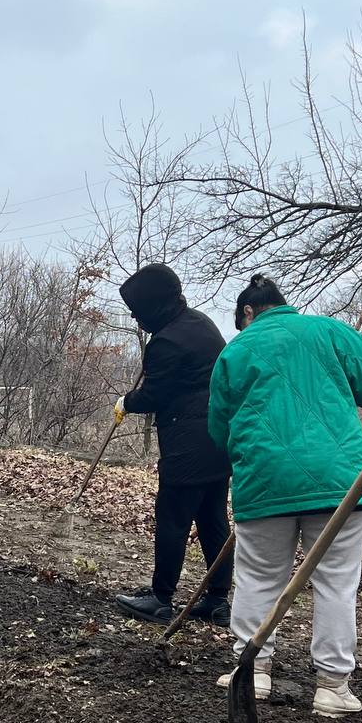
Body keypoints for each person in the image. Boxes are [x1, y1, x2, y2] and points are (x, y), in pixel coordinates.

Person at [208, 275, 362, 717]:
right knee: (335, 583)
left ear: (248, 313)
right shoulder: (328, 330)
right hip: (339, 481)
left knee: (258, 577)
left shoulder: (235, 351)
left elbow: (218, 428)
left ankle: (253, 672)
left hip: (265, 480)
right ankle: (332, 687)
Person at [112, 264, 234, 626]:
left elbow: (155, 394)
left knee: (172, 519)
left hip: (188, 444)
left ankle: (161, 598)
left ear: (154, 304)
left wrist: (127, 401)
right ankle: (217, 600)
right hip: (219, 439)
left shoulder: (166, 341)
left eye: (138, 309)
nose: (135, 316)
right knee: (213, 519)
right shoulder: (201, 324)